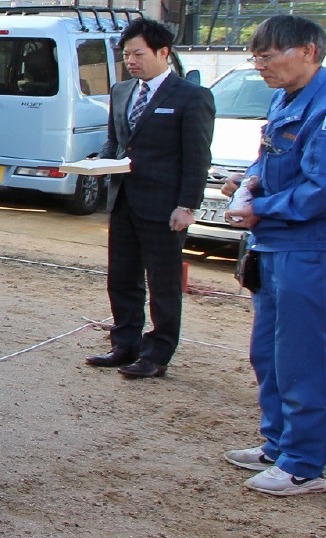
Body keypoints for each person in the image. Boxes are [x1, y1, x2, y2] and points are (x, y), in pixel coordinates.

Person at [221, 15, 326, 496]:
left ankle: (304, 464)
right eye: (256, 57)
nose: (260, 66)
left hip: (311, 248)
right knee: (269, 353)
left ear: (307, 50)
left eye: (269, 56)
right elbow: (270, 156)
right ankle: (278, 444)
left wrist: (260, 208)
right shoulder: (286, 97)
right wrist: (247, 183)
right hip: (276, 245)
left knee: (304, 356)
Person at [85, 17, 214, 379]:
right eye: (126, 54)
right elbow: (115, 141)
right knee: (122, 276)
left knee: (163, 282)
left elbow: (197, 156)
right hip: (124, 199)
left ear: (163, 52)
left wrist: (188, 205)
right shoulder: (122, 91)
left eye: (138, 53)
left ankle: (157, 352)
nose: (131, 61)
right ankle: (124, 343)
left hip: (164, 205)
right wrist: (99, 162)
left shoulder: (191, 96)